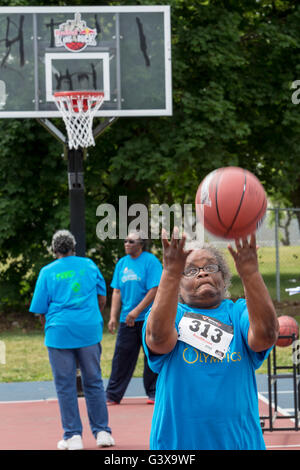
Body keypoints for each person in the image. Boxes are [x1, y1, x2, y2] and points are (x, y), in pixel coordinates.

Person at [143, 228, 279, 450]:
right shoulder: (170, 314)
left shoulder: (240, 313)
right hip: (177, 446)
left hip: (240, 444)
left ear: (224, 279)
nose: (202, 273)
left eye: (210, 267)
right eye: (191, 270)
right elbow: (158, 339)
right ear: (178, 283)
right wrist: (169, 272)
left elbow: (265, 336)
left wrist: (250, 273)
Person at [29, 230, 115, 450]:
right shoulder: (89, 265)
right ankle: (102, 432)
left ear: (54, 249)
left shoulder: (47, 271)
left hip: (59, 331)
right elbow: (102, 298)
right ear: (74, 247)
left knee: (65, 385)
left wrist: (49, 328)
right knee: (94, 381)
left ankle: (73, 436)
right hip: (88, 329)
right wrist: (90, 316)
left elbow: (40, 309)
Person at [106, 230, 162, 405]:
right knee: (122, 357)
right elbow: (116, 291)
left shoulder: (150, 262)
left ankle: (154, 393)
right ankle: (113, 395)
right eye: (125, 241)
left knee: (151, 355)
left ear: (141, 244)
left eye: (131, 241)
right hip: (127, 320)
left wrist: (137, 311)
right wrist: (113, 316)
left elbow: (154, 290)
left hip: (148, 318)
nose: (127, 244)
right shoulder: (122, 263)